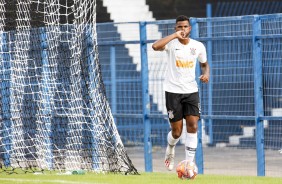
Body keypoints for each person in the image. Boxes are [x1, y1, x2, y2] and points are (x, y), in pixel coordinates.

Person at [152, 15, 210, 171]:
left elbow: (204, 65)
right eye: (179, 27)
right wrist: (174, 36)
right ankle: (170, 149)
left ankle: (188, 164)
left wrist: (206, 74)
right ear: (175, 28)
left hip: (191, 91)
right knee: (177, 132)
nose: (183, 29)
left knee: (193, 126)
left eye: (185, 27)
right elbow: (155, 47)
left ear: (190, 28)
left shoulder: (198, 46)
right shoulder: (171, 44)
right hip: (173, 92)